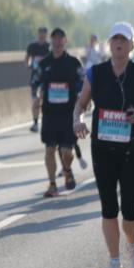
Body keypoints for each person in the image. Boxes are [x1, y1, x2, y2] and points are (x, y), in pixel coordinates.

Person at [73, 22, 134, 268]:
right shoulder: (95, 73)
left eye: (123, 40)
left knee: (131, 208)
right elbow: (80, 104)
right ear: (109, 44)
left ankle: (132, 247)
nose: (118, 44)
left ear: (132, 45)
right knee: (109, 208)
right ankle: (114, 263)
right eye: (114, 40)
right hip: (103, 147)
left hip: (132, 148)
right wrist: (77, 121)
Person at [34, 27, 83, 197]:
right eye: (54, 38)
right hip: (49, 114)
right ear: (51, 41)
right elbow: (35, 81)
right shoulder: (44, 64)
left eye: (60, 38)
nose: (57, 41)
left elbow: (82, 84)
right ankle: (52, 184)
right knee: (49, 149)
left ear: (65, 41)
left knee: (66, 152)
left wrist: (80, 100)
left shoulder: (74, 63)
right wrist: (36, 96)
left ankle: (67, 169)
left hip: (68, 114)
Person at [26, 27, 50, 132]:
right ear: (38, 33)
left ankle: (46, 122)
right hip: (35, 78)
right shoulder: (32, 46)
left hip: (48, 78)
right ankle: (35, 123)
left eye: (44, 33)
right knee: (36, 101)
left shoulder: (49, 47)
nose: (41, 35)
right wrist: (29, 65)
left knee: (46, 102)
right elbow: (27, 57)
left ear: (46, 34)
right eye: (40, 32)